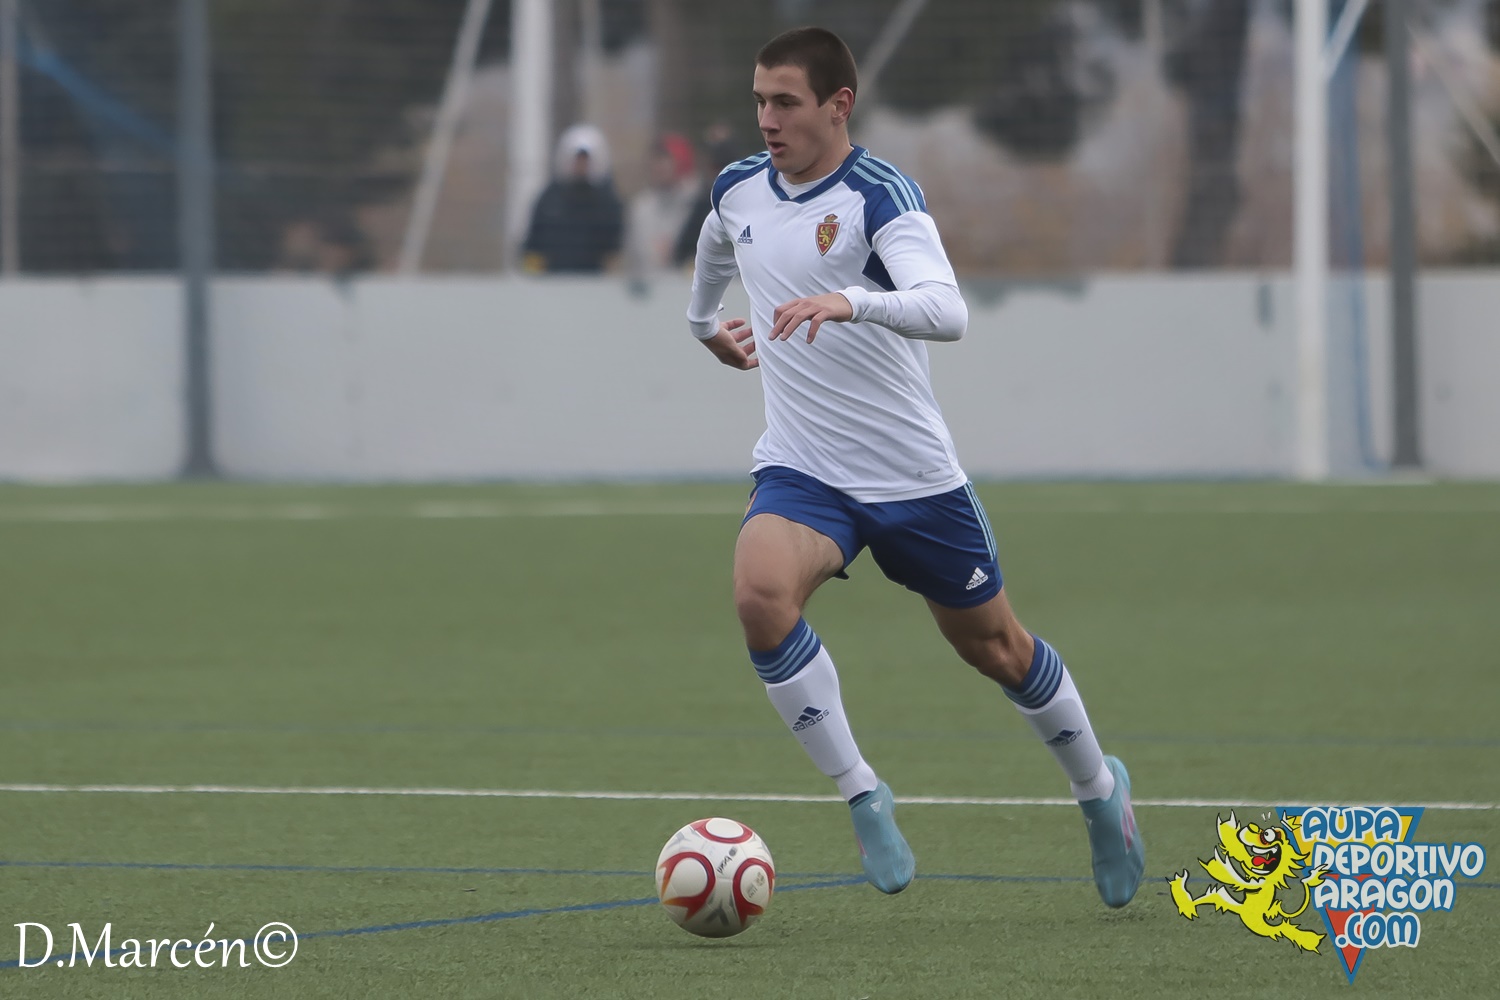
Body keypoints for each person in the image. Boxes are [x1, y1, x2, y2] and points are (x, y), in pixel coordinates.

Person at [683, 27, 1145, 906]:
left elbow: (946, 309)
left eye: (785, 102)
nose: (767, 119)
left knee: (998, 649)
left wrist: (851, 301)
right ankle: (863, 793)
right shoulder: (740, 186)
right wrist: (704, 325)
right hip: (804, 469)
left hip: (911, 480)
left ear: (838, 105)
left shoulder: (877, 195)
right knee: (759, 597)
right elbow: (716, 244)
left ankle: (1098, 791)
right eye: (759, 101)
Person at [521, 124, 623, 273]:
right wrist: (533, 276)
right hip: (552, 281)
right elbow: (533, 245)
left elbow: (614, 251)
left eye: (585, 160)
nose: (581, 165)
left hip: (594, 282)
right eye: (577, 159)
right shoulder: (549, 199)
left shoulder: (607, 203)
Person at [625, 133, 699, 288]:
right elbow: (631, 257)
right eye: (656, 160)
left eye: (666, 160)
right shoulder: (641, 207)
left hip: (684, 290)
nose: (659, 167)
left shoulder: (696, 207)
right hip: (647, 292)